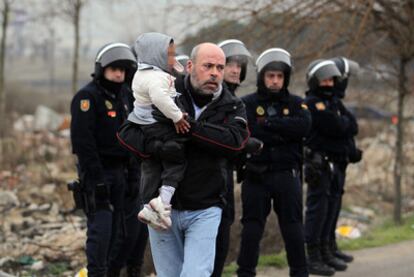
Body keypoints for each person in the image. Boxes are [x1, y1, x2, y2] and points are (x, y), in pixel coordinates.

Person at [143, 42, 249, 277]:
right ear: (190, 66)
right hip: (161, 206)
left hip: (205, 207)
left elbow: (235, 143)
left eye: (220, 68)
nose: (214, 73)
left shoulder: (232, 105)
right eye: (208, 66)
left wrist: (188, 127)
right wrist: (162, 146)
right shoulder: (164, 93)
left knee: (196, 273)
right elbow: (136, 135)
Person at [70, 42, 147, 277]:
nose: (118, 74)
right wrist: (96, 178)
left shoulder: (125, 96)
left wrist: (134, 175)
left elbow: (133, 136)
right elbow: (83, 143)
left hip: (124, 173)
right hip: (98, 174)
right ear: (102, 69)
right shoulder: (87, 97)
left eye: (123, 70)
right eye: (114, 69)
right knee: (101, 234)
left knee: (126, 235)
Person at [236, 48, 311, 277]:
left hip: (287, 175)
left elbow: (305, 127)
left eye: (279, 76)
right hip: (256, 174)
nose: (275, 81)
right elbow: (247, 132)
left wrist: (268, 124)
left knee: (293, 226)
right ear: (262, 76)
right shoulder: (246, 103)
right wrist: (283, 128)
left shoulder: (298, 103)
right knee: (252, 228)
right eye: (271, 76)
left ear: (285, 78)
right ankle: (245, 273)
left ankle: (300, 272)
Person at [128, 32, 191, 231]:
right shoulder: (158, 77)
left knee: (152, 165)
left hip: (144, 124)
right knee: (177, 158)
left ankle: (148, 206)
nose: (173, 58)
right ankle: (163, 201)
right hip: (158, 124)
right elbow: (161, 99)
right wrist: (178, 117)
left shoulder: (141, 74)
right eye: (170, 55)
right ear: (156, 55)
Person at [303, 59, 354, 275]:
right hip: (319, 164)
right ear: (315, 81)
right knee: (318, 209)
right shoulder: (313, 102)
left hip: (333, 163)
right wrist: (341, 125)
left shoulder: (332, 101)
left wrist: (342, 125)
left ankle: (326, 250)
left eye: (331, 79)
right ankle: (312, 256)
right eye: (323, 79)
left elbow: (352, 124)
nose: (328, 83)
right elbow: (335, 126)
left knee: (331, 207)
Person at [328, 57, 362, 263]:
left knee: (334, 206)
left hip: (340, 162)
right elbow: (340, 128)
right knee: (324, 208)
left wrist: (351, 151)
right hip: (326, 164)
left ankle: (330, 246)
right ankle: (320, 251)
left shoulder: (336, 102)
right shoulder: (324, 103)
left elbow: (352, 126)